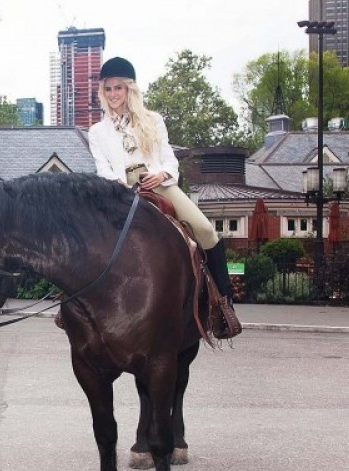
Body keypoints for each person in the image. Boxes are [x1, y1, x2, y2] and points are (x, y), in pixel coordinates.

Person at [87, 57, 239, 337]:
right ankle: (73, 307)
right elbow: (102, 169)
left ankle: (224, 304)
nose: (113, 94)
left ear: (129, 89)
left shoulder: (153, 120)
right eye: (107, 89)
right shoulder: (97, 132)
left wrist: (161, 175)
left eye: (118, 88)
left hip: (158, 184)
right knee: (88, 236)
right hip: (119, 190)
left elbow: (169, 159)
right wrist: (122, 187)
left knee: (206, 230)